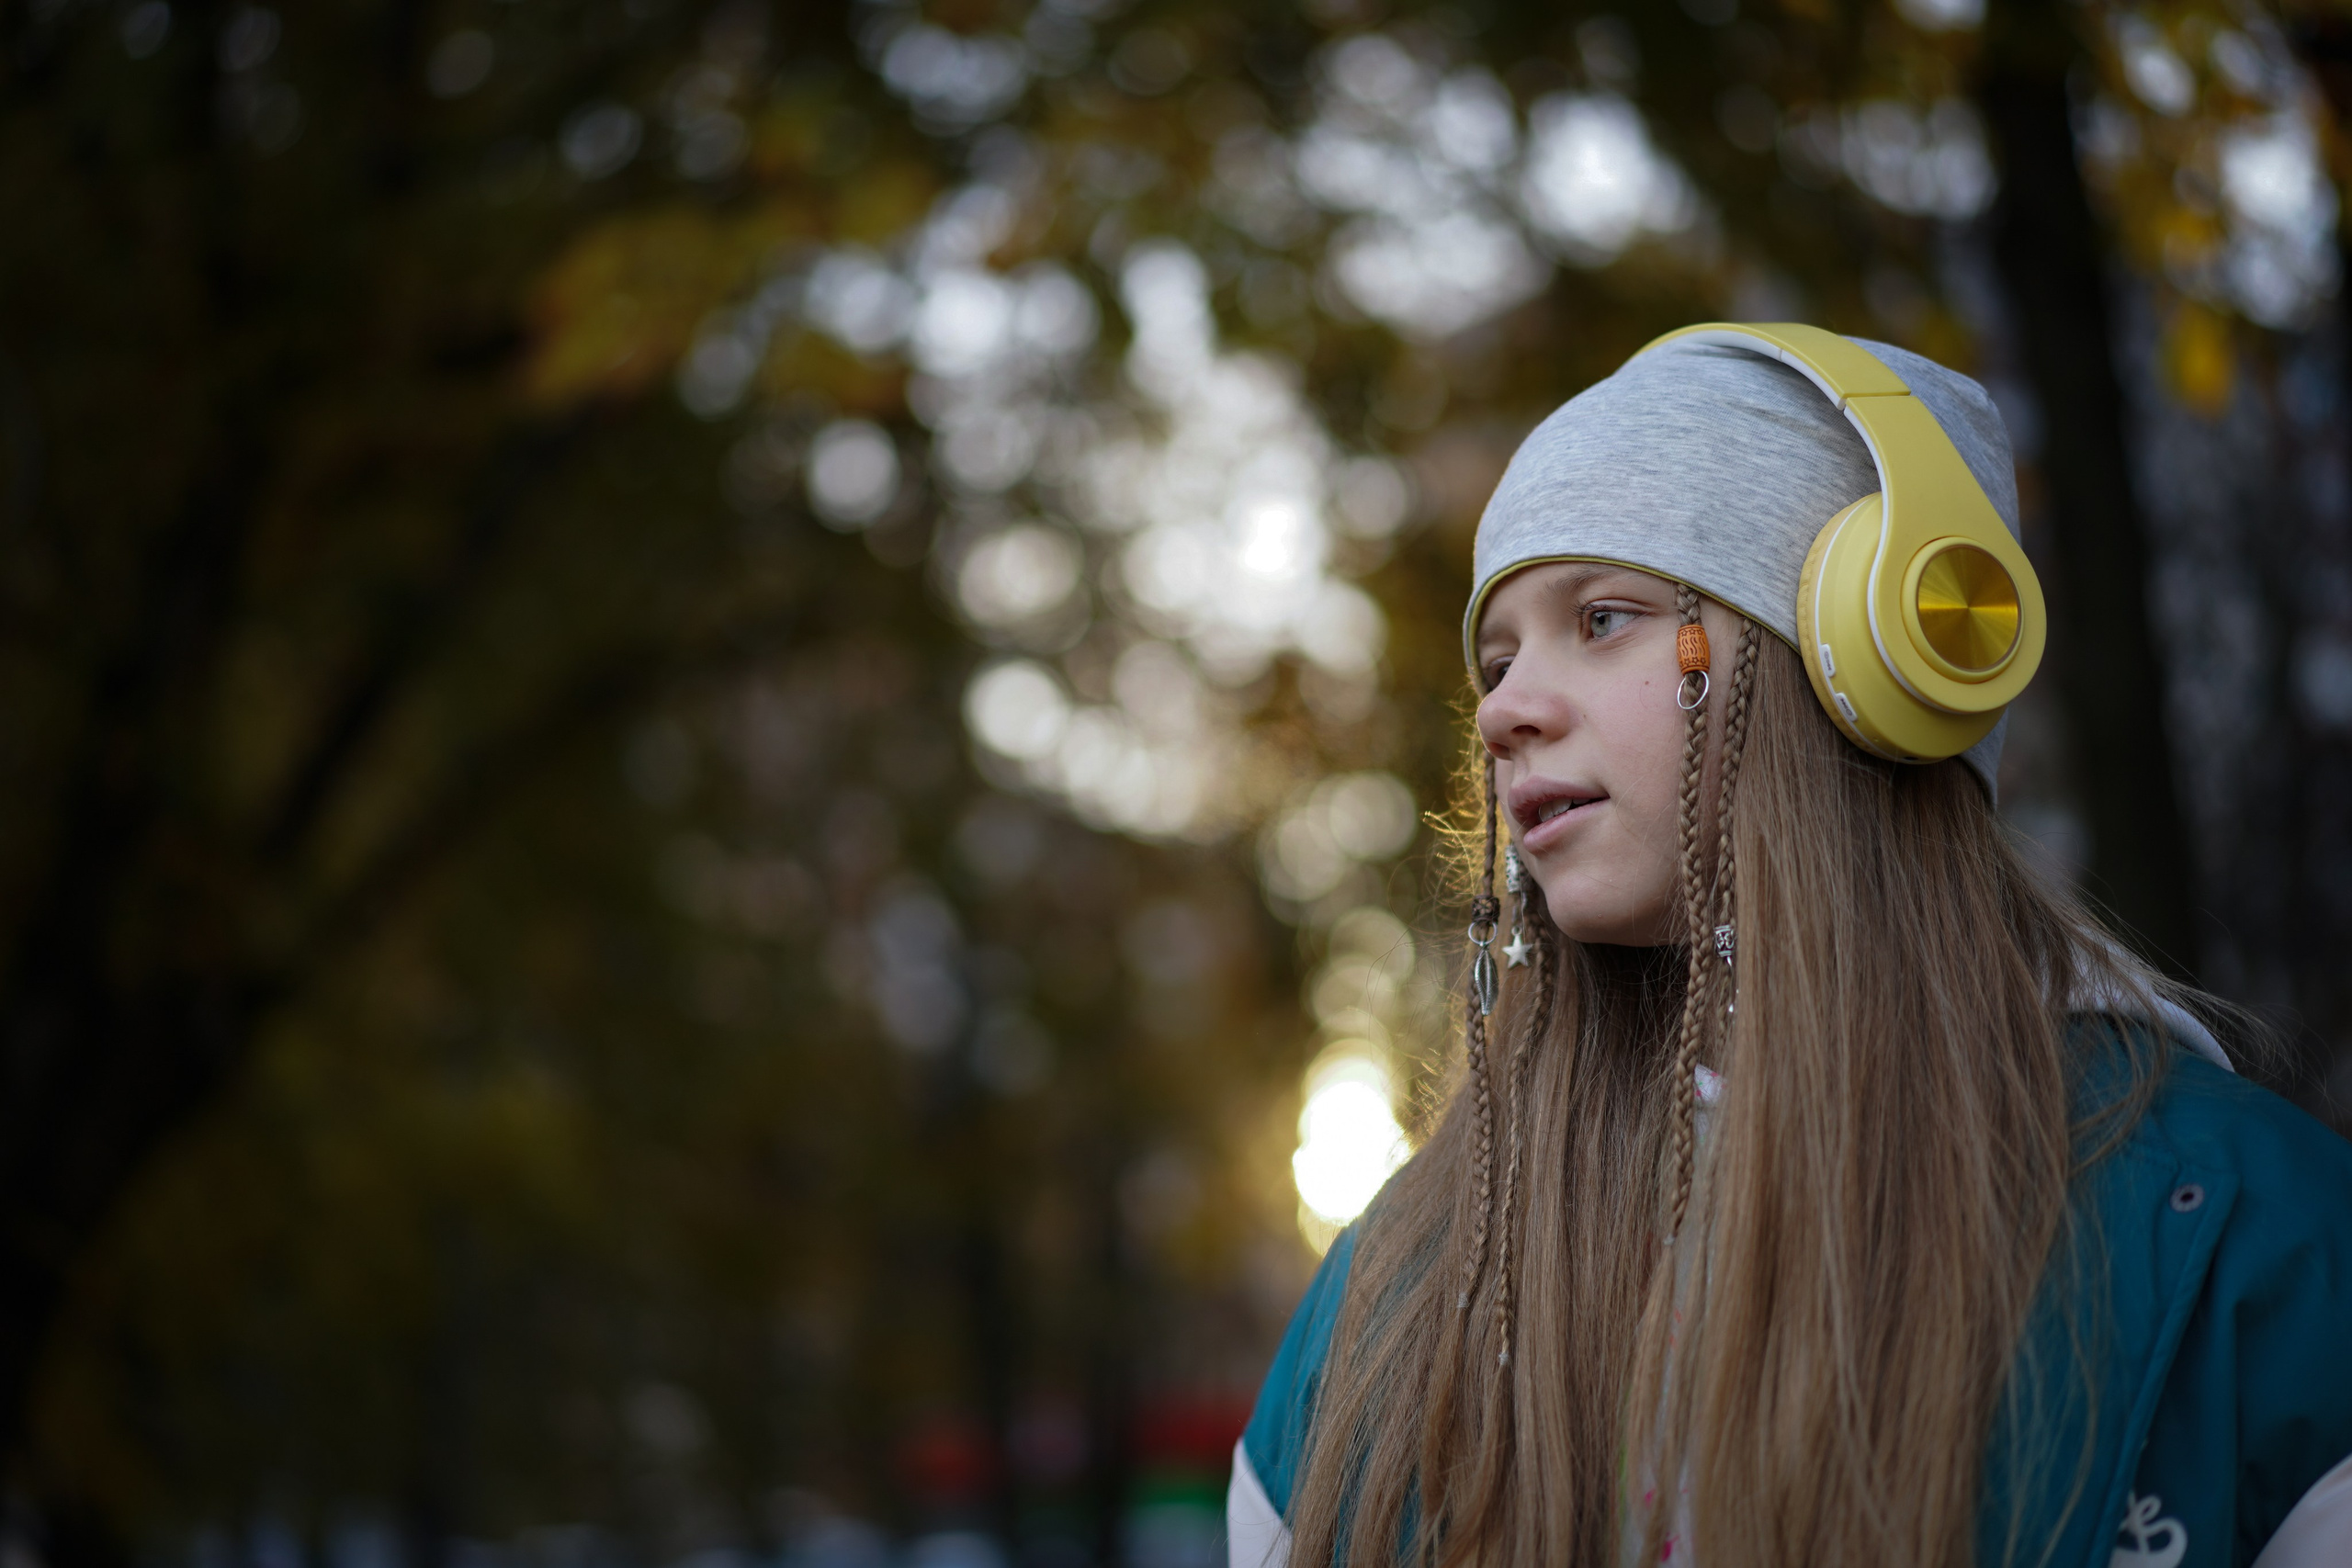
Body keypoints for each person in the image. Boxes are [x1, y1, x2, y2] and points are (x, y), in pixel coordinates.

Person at [1227, 325, 2352, 1568]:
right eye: (1498, 660)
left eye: (1603, 619)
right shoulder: (1382, 1295)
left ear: (1872, 659)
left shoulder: (2262, 1247)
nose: (1502, 710)